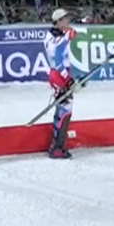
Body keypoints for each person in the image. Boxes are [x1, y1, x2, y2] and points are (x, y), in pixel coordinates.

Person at [44, 9, 77, 159]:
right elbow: (57, 60)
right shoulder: (55, 38)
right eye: (64, 19)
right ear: (57, 22)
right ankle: (57, 146)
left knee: (62, 109)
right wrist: (67, 78)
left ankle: (57, 144)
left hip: (60, 74)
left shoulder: (55, 35)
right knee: (65, 110)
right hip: (59, 75)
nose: (67, 22)